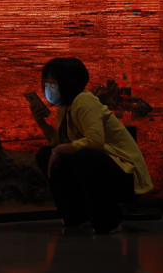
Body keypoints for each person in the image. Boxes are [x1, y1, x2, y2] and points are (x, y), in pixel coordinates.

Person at [28, 57, 153, 234]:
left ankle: (108, 219)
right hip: (102, 165)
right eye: (46, 81)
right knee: (46, 154)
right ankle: (76, 217)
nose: (48, 86)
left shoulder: (84, 102)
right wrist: (40, 122)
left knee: (83, 156)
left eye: (53, 81)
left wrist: (60, 150)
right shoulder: (65, 106)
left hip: (123, 171)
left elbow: (95, 141)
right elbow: (59, 142)